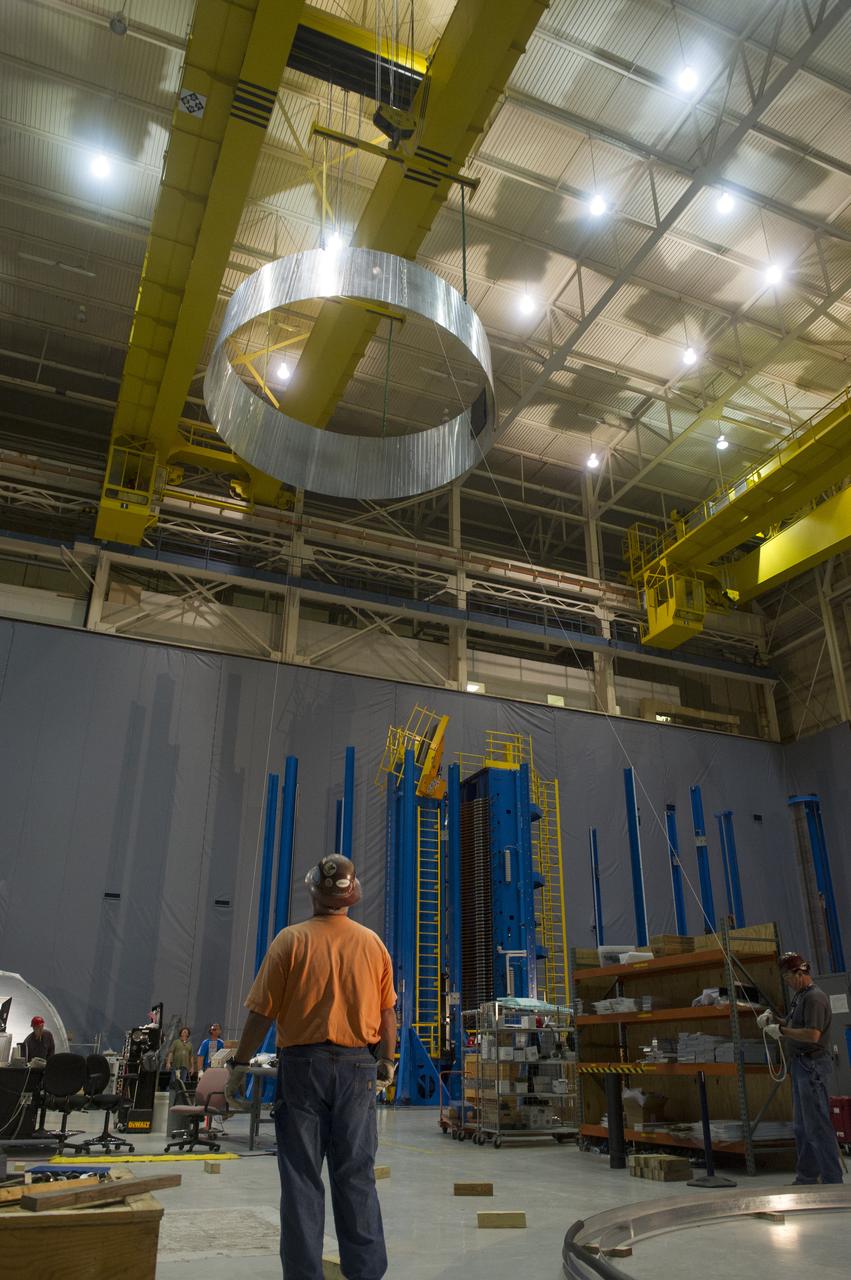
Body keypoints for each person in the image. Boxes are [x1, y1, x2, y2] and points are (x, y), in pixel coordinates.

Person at [226, 854, 397, 1280]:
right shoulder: (372, 944)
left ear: (313, 892)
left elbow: (260, 1014)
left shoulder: (290, 941)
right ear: (352, 895)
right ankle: (367, 1274)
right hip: (359, 1068)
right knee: (356, 1175)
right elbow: (388, 1013)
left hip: (302, 1070)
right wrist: (388, 1061)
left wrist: (240, 1065)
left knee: (302, 1179)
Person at [759, 951, 843, 1185]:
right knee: (802, 1127)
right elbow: (795, 1023)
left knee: (817, 1125)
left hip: (812, 1066)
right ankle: (806, 1177)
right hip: (799, 1065)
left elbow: (813, 1034)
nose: (786, 982)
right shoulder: (800, 997)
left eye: (787, 977)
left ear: (799, 973)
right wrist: (774, 1020)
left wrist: (782, 1032)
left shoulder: (815, 998)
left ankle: (832, 1180)